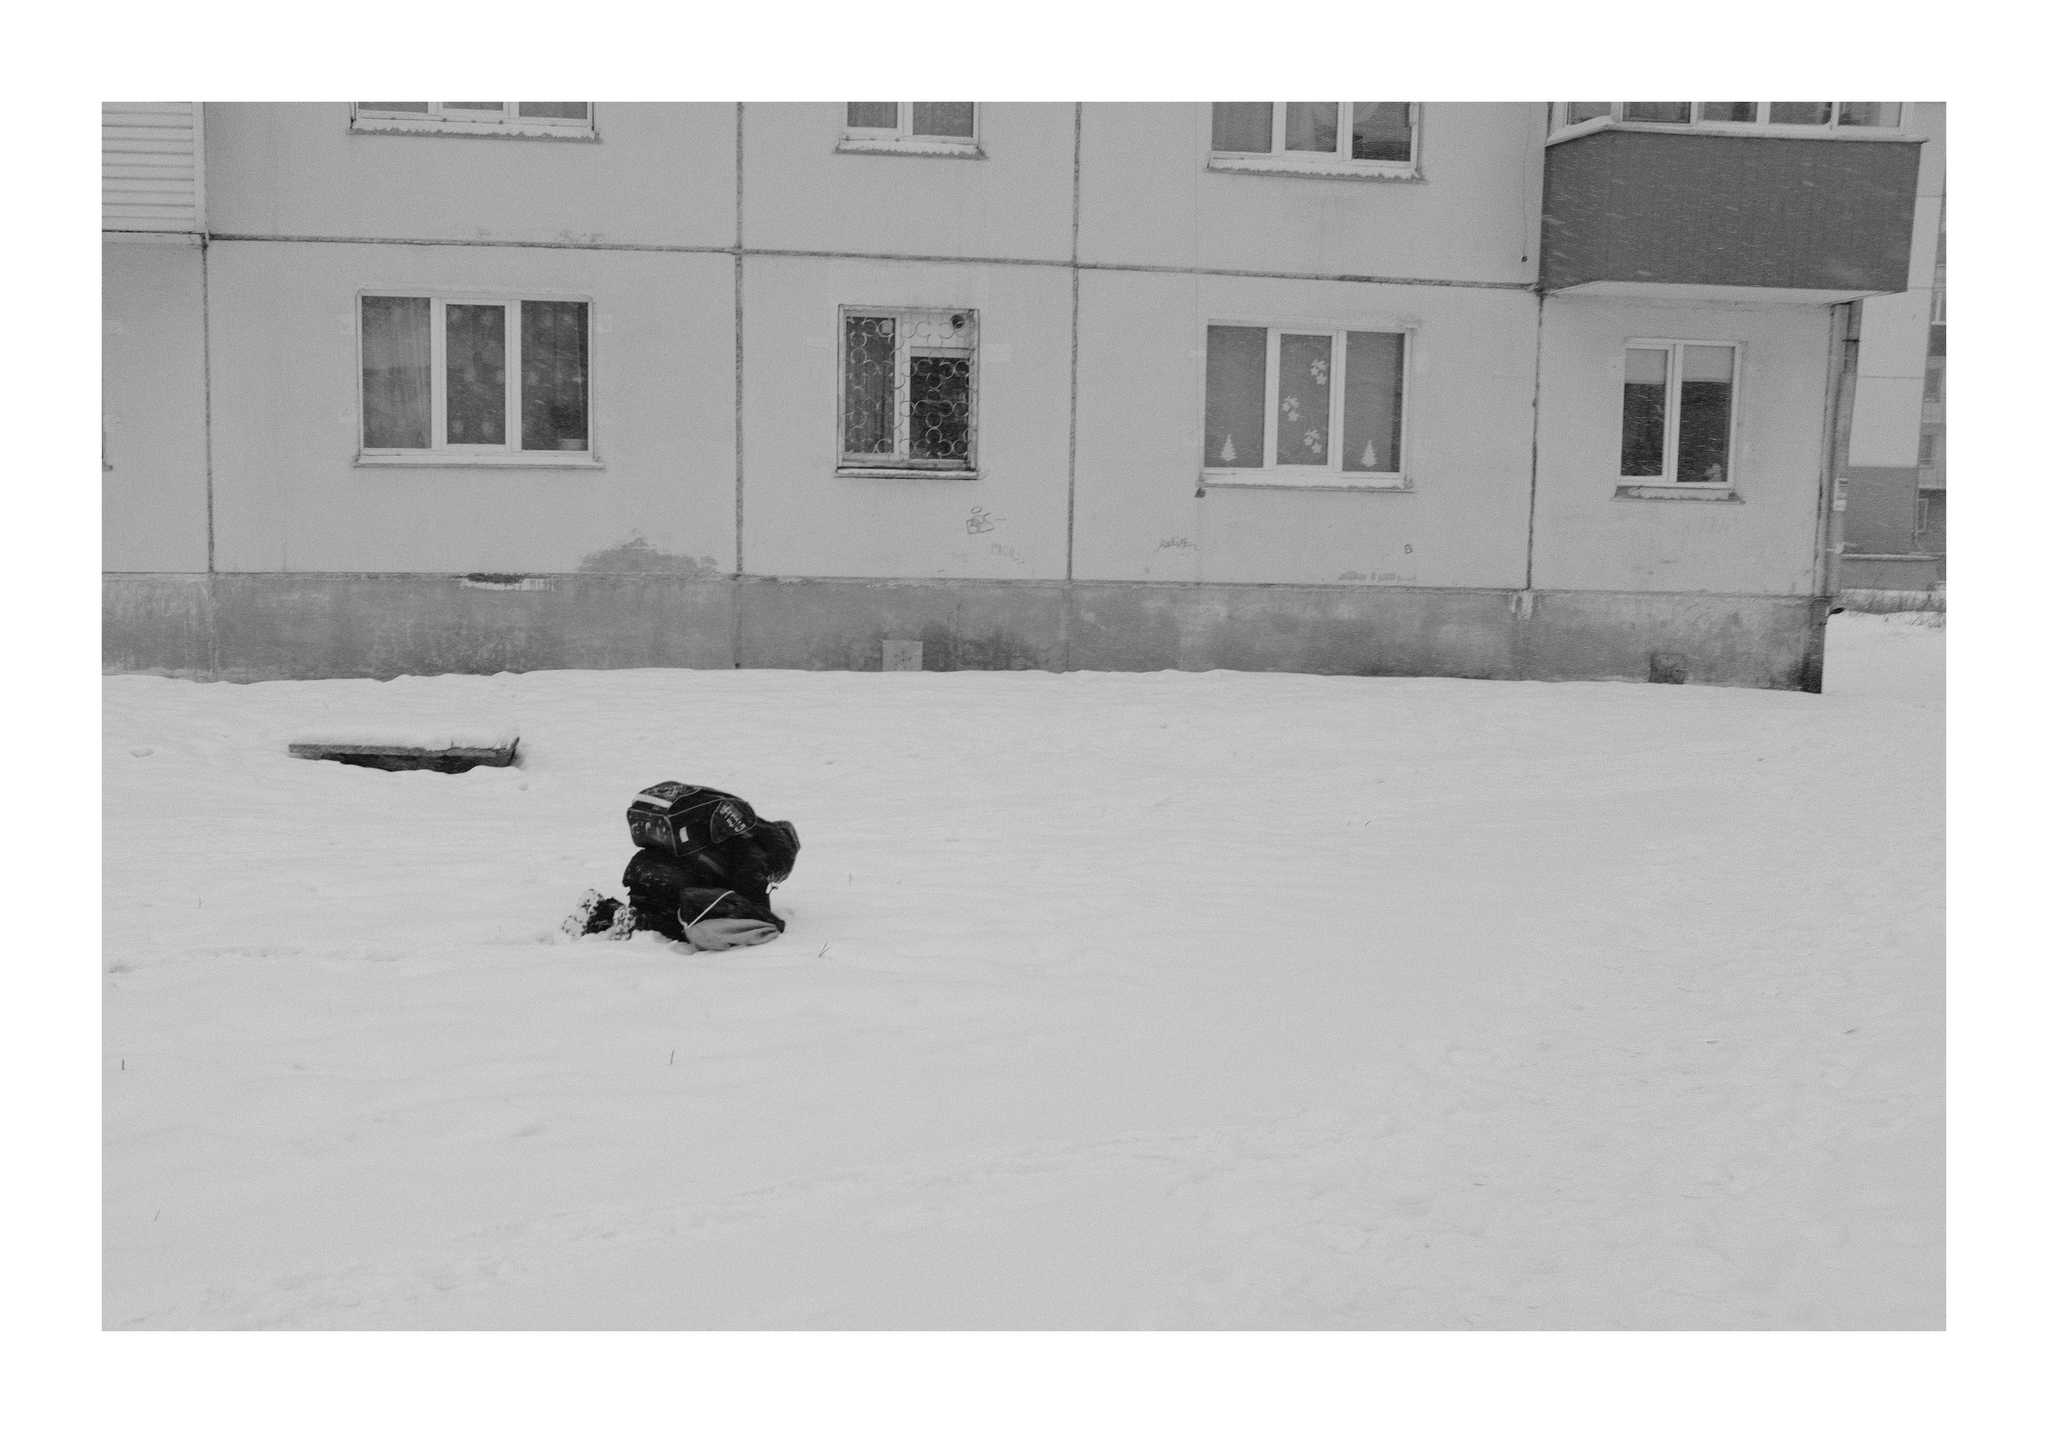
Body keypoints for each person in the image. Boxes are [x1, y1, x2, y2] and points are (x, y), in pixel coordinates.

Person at [563, 782, 800, 951]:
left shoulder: (731, 828)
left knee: (659, 907)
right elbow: (757, 913)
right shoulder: (752, 853)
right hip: (677, 888)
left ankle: (604, 911)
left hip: (643, 871)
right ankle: (638, 923)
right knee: (691, 923)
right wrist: (773, 922)